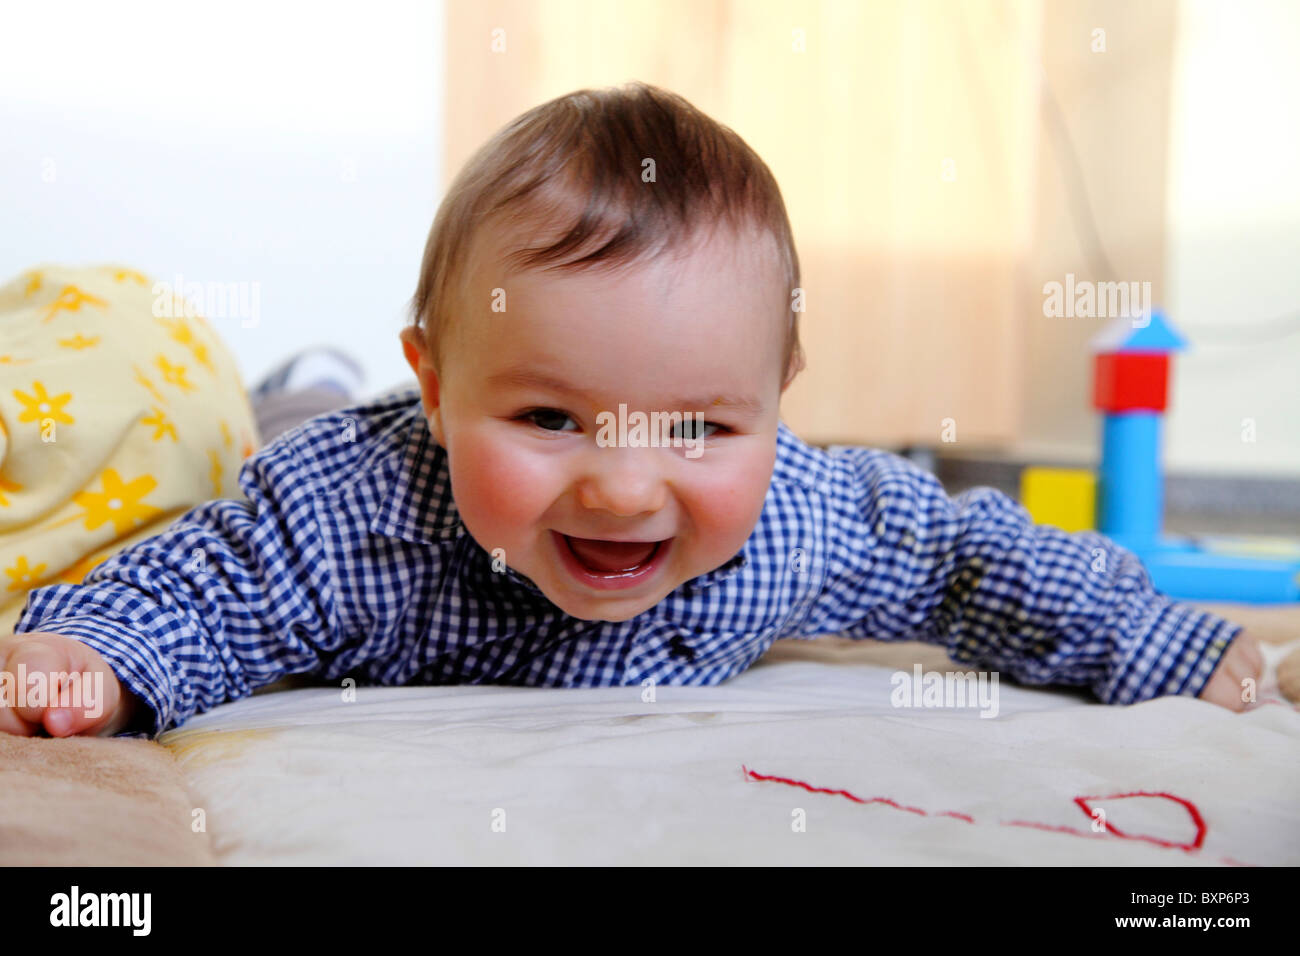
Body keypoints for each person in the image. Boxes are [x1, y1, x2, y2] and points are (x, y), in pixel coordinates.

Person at [0, 82, 1262, 739]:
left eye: (702, 426)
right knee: (277, 425)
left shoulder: (802, 519)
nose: (621, 485)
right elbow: (204, 585)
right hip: (331, 434)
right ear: (440, 388)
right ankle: (310, 386)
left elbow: (967, 557)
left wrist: (1181, 648)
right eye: (549, 416)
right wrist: (93, 659)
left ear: (778, 405)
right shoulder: (350, 515)